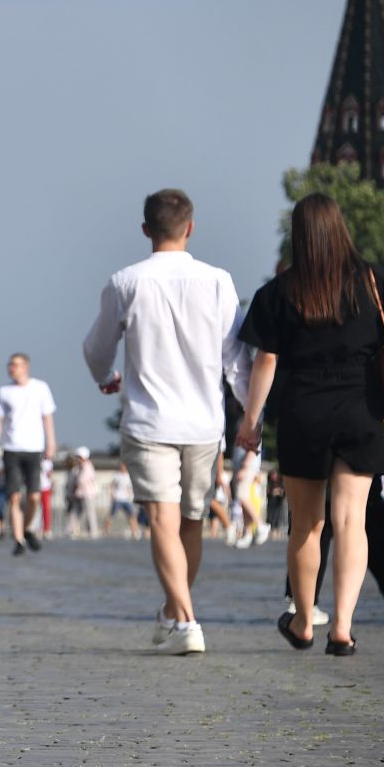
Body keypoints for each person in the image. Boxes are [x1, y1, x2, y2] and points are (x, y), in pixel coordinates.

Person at [82, 188, 244, 655]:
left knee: (161, 520)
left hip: (150, 421)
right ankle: (175, 613)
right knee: (190, 522)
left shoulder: (126, 281)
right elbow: (235, 358)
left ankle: (185, 619)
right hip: (204, 423)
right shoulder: (218, 281)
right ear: (190, 228)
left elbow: (96, 348)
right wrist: (249, 416)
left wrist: (106, 378)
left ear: (145, 229)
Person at [237, 192, 384, 657]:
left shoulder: (280, 291)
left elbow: (265, 361)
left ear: (299, 236)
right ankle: (342, 627)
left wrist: (250, 419)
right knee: (352, 522)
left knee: (306, 524)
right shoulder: (373, 281)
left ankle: (304, 620)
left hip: (304, 411)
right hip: (362, 409)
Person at [0, 353, 57, 557]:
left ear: (26, 366)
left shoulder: (40, 388)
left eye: (16, 365)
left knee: (34, 497)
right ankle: (18, 539)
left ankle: (27, 529)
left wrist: (51, 442)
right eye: (10, 365)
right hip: (11, 448)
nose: (12, 368)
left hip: (34, 448)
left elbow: (47, 418)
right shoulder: (3, 391)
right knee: (14, 496)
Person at [70, 447, 100, 538]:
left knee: (90, 513)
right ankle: (72, 529)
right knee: (77, 512)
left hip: (88, 494)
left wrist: (75, 485)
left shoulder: (87, 467)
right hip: (81, 493)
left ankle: (93, 531)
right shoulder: (80, 467)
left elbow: (81, 480)